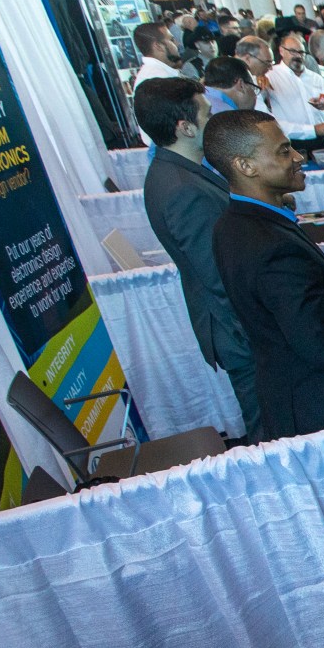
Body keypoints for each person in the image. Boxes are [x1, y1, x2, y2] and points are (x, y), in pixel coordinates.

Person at [206, 110, 324, 438]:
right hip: (321, 412)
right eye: (283, 151)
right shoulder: (270, 245)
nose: (297, 157)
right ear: (245, 166)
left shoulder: (230, 223)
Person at [134, 78, 259, 434]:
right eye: (206, 113)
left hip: (235, 327)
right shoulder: (181, 190)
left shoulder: (177, 171)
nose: (213, 119)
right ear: (185, 127)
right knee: (269, 428)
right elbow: (218, 275)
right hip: (239, 331)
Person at [235, 37, 324, 140]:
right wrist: (313, 130)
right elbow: (263, 116)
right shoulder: (269, 76)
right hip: (290, 140)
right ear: (281, 51)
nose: (298, 56)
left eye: (301, 52)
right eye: (293, 51)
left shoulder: (317, 79)